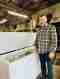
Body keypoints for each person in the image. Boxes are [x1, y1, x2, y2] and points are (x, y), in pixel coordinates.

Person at [33, 14, 57, 79]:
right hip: (41, 52)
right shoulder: (39, 30)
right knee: (42, 66)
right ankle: (43, 77)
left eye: (43, 19)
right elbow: (36, 40)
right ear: (39, 21)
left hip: (48, 52)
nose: (42, 20)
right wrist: (35, 46)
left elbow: (54, 41)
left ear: (46, 19)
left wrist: (52, 51)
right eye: (40, 19)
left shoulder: (52, 27)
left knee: (49, 68)